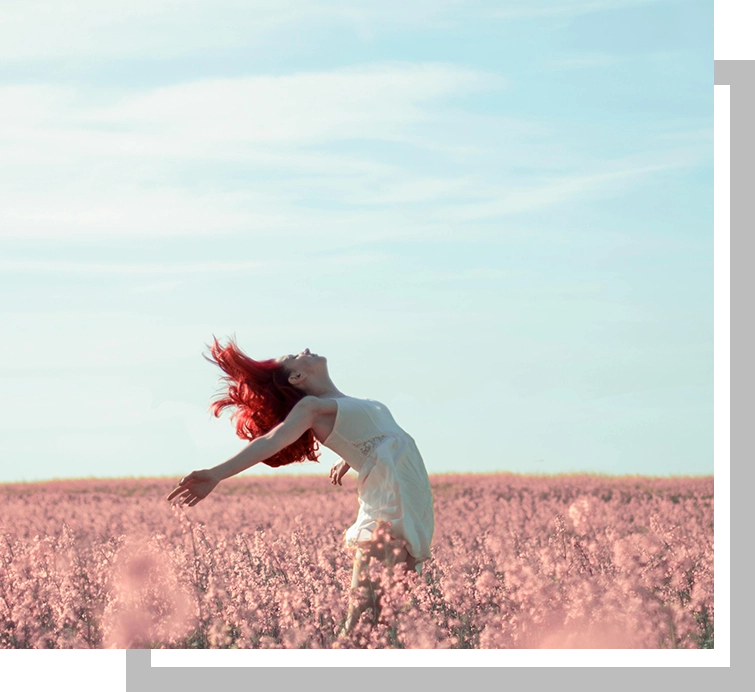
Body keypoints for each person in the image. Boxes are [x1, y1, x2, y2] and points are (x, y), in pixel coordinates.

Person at [166, 336, 435, 636]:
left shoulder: (350, 404)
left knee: (386, 624)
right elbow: (273, 439)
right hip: (390, 507)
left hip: (413, 505)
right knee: (361, 627)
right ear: (297, 377)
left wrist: (352, 459)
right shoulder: (313, 407)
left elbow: (381, 440)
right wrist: (217, 473)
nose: (304, 350)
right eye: (295, 355)